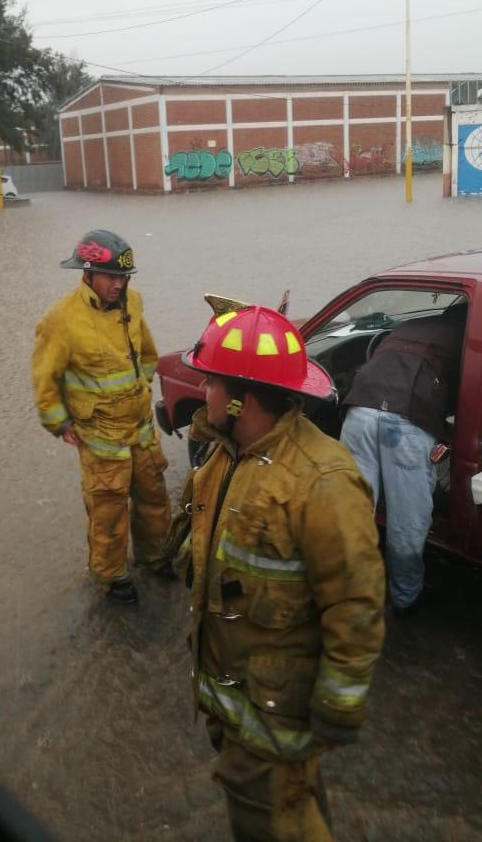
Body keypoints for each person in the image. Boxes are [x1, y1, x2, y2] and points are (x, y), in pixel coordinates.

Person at [178, 303, 385, 842]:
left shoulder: (321, 481)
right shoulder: (228, 455)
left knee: (273, 819)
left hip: (275, 716)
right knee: (290, 807)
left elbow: (356, 604)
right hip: (238, 703)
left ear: (243, 399)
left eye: (212, 384)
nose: (204, 394)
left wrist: (338, 709)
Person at [31, 229, 173, 604]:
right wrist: (59, 424)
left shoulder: (134, 302)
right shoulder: (60, 320)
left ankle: (157, 558)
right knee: (107, 514)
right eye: (111, 276)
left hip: (141, 430)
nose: (119, 284)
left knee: (154, 500)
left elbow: (147, 354)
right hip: (100, 439)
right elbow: (45, 380)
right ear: (87, 273)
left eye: (124, 276)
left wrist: (140, 392)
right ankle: (112, 578)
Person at [340, 301, 467, 617]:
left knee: (353, 511)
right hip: (407, 422)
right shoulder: (467, 338)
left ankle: (344, 593)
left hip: (359, 407)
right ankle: (406, 598)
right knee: (407, 521)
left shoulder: (413, 325)